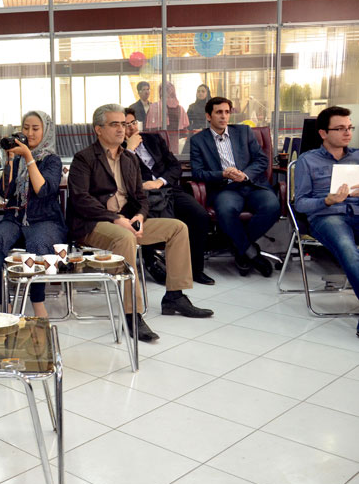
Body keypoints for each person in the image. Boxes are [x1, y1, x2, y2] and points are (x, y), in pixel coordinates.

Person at [68, 104, 213, 342]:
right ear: (98, 129)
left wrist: (140, 216)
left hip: (126, 221)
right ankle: (131, 313)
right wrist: (116, 219)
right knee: (125, 237)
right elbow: (80, 199)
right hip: (93, 225)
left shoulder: (128, 158)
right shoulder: (84, 158)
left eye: (123, 124)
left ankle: (174, 296)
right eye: (114, 124)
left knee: (177, 228)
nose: (121, 129)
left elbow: (141, 197)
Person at [0, 110, 67, 317]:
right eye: (26, 128)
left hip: (45, 219)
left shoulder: (52, 160)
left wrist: (28, 157)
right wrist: (10, 160)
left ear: (45, 131)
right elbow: (5, 191)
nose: (29, 133)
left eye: (35, 129)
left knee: (38, 244)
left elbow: (43, 190)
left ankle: (38, 303)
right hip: (15, 218)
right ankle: (4, 302)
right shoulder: (17, 158)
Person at [189, 96, 280, 277]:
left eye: (227, 112)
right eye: (219, 112)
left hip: (251, 184)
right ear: (208, 116)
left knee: (272, 206)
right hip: (225, 188)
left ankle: (240, 247)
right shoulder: (198, 140)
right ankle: (251, 253)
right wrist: (223, 174)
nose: (224, 116)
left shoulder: (244, 132)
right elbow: (198, 173)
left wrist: (244, 174)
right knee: (226, 210)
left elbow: (261, 160)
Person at [123, 108, 214, 285]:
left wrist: (161, 181)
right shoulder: (119, 150)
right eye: (126, 125)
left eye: (133, 123)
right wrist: (130, 150)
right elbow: (122, 175)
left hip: (168, 189)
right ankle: (151, 263)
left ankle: (195, 269)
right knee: (143, 217)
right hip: (141, 194)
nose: (132, 128)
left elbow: (175, 167)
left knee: (199, 215)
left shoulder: (154, 139)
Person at [293, 106, 359, 338]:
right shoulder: (307, 160)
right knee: (348, 250)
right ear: (323, 133)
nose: (347, 133)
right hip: (327, 216)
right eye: (340, 128)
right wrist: (327, 200)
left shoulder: (358, 156)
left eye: (349, 127)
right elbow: (300, 203)